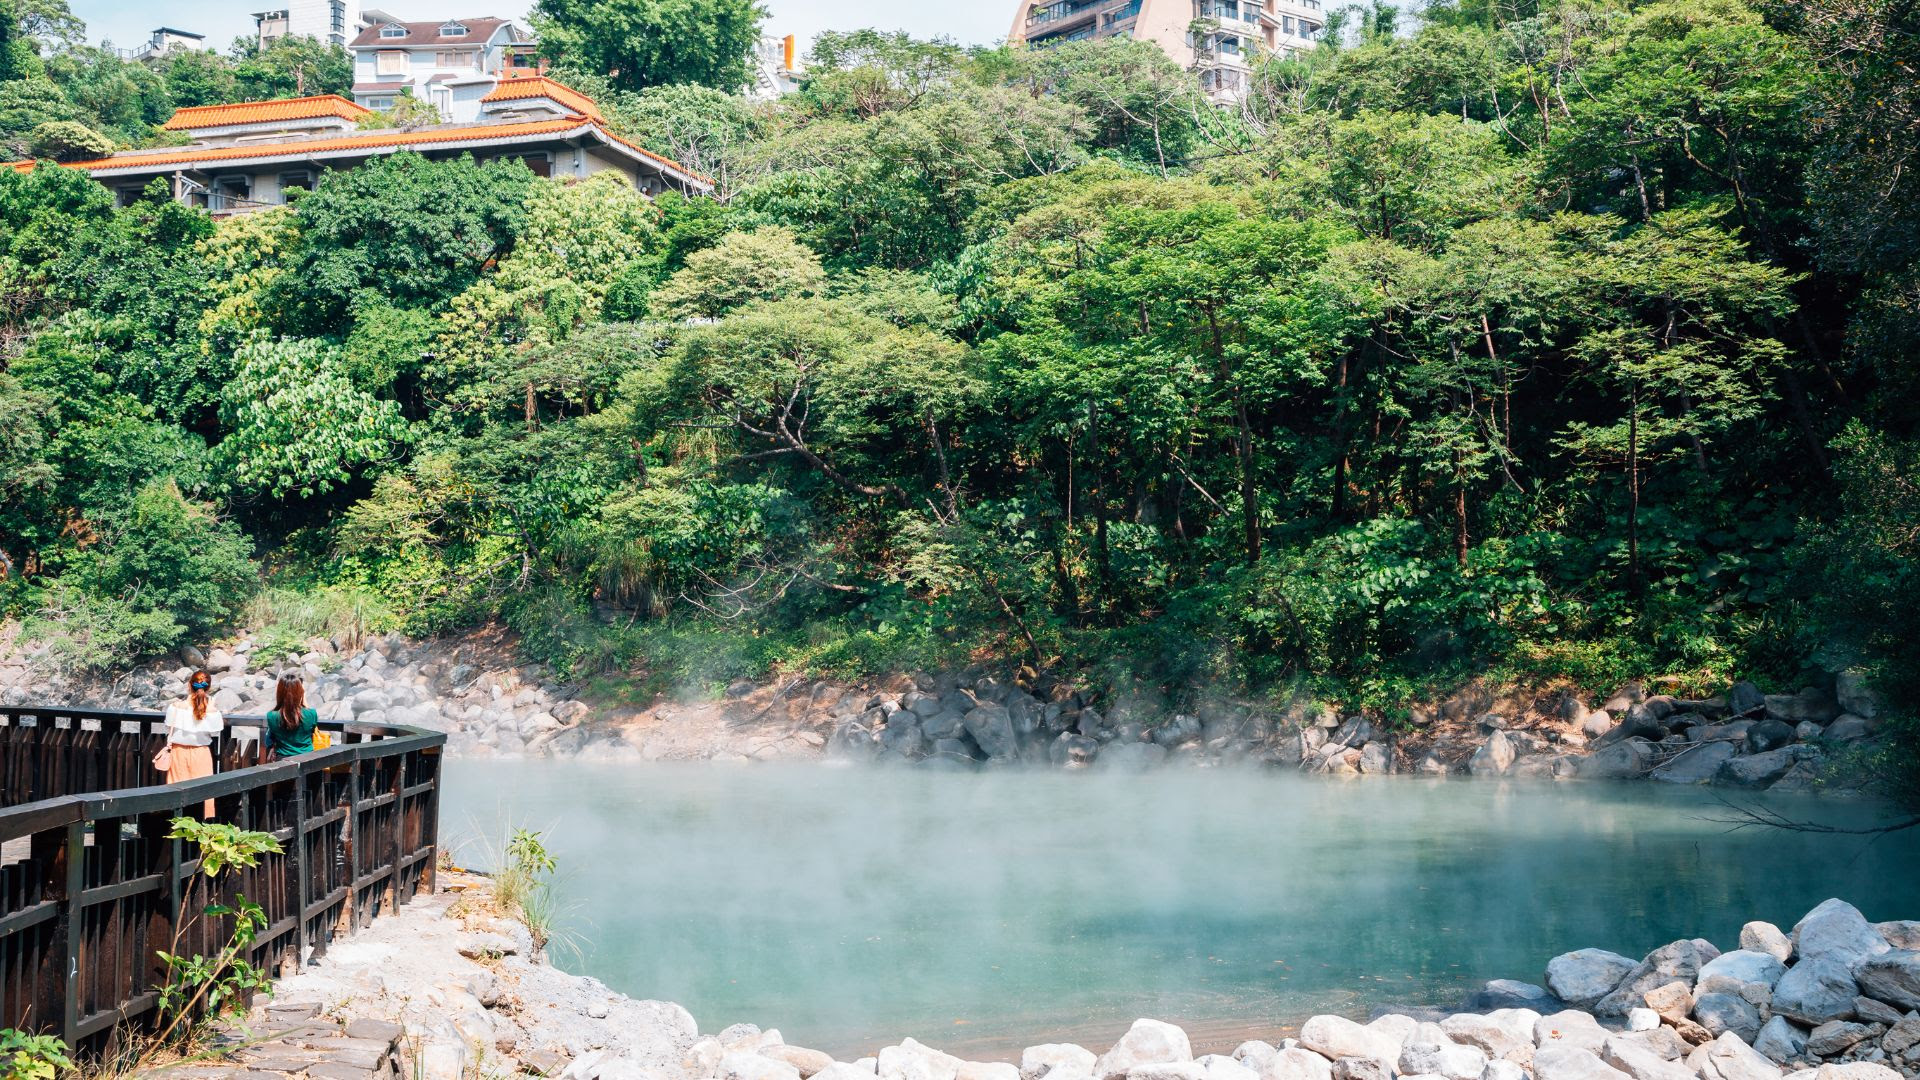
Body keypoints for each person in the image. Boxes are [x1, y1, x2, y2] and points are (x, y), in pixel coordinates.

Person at [163, 669, 224, 815]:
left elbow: (168, 725)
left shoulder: (176, 707)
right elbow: (215, 731)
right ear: (208, 687)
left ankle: (176, 824)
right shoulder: (212, 710)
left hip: (179, 751)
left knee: (176, 789)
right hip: (201, 752)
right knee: (204, 791)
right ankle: (203, 825)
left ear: (189, 686)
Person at [264, 673, 320, 759]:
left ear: (279, 693)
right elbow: (311, 730)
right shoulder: (312, 714)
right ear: (300, 692)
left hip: (283, 760)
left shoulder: (271, 716)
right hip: (307, 759)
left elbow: (271, 738)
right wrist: (303, 697)